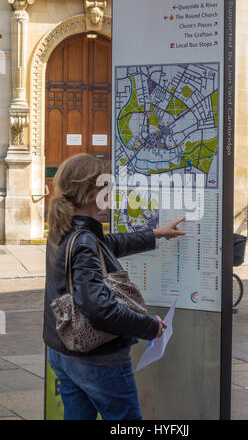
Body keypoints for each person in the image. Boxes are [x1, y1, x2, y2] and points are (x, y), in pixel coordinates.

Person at [43, 153, 185, 420]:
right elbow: (99, 309)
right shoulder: (83, 241)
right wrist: (149, 326)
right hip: (96, 359)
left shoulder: (66, 230)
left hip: (62, 352)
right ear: (92, 193)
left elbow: (108, 245)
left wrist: (154, 234)